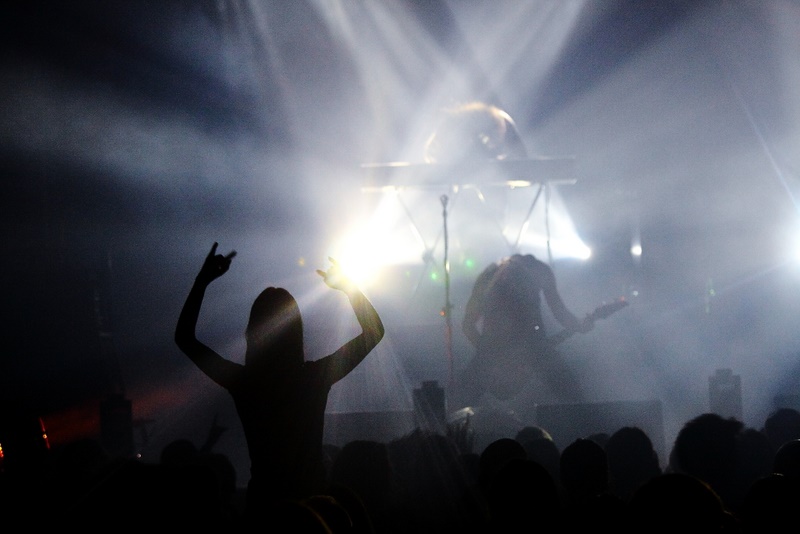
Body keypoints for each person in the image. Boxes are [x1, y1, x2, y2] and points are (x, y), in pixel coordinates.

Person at [175, 242, 385, 524]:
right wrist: (350, 289)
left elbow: (184, 339)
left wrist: (202, 282)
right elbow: (374, 331)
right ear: (297, 330)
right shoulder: (314, 377)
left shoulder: (244, 382)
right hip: (314, 506)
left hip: (265, 505)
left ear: (253, 332)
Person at [452, 253, 593, 411]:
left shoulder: (488, 276)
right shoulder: (539, 270)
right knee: (572, 395)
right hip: (530, 348)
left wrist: (490, 355)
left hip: (517, 348)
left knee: (458, 402)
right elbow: (560, 312)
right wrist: (580, 326)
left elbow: (468, 325)